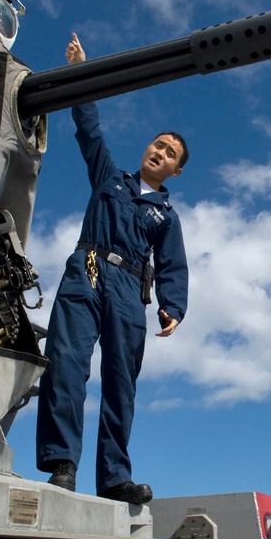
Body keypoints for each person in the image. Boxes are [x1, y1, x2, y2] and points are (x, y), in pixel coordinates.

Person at [35, 33, 189, 504]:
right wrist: (82, 72)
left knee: (121, 382)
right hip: (88, 270)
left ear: (175, 171)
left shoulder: (167, 216)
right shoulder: (110, 177)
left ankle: (114, 478)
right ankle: (63, 462)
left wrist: (172, 307)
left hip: (129, 292)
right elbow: (89, 130)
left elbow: (172, 265)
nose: (158, 152)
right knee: (66, 362)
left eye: (169, 154)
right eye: (157, 144)